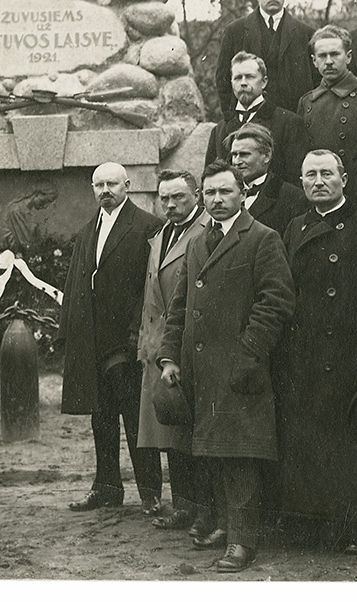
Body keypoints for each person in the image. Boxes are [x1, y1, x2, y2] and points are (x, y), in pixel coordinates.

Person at [158, 160, 295, 573]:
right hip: (200, 371)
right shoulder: (199, 241)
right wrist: (169, 356)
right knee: (212, 456)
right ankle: (223, 526)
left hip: (240, 370)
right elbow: (179, 305)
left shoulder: (262, 238)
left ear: (243, 194)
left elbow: (276, 301)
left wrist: (248, 354)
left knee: (240, 458)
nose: (217, 199)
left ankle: (242, 541)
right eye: (211, 193)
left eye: (226, 191)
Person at [277, 150, 357, 552]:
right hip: (305, 353)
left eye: (327, 173)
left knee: (351, 444)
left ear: (344, 179)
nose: (318, 181)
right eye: (310, 175)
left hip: (349, 354)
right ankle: (312, 526)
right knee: (309, 440)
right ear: (302, 182)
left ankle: (355, 529)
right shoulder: (295, 226)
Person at [59, 161, 165, 512]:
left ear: (127, 186)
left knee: (135, 418)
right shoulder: (88, 230)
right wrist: (69, 333)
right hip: (94, 339)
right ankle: (106, 487)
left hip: (128, 339)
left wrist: (138, 333)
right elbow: (76, 282)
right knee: (101, 417)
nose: (105, 191)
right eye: (99, 185)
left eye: (112, 184)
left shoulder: (147, 226)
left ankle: (150, 492)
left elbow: (152, 285)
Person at [136, 170, 209, 534]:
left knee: (191, 435)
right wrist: (146, 345)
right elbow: (151, 296)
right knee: (169, 433)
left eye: (179, 197)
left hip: (188, 346)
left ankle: (201, 510)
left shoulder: (206, 232)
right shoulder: (162, 234)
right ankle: (183, 506)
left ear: (197, 196)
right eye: (164, 198)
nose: (170, 204)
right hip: (158, 347)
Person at [213, 0, 318, 115]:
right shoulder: (234, 32)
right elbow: (223, 80)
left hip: (294, 122)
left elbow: (316, 84)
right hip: (249, 122)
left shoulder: (306, 34)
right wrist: (233, 120)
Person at [205, 51, 308, 182]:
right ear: (231, 82)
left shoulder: (289, 123)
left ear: (264, 82)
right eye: (237, 78)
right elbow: (209, 178)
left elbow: (294, 179)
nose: (243, 83)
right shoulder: (219, 130)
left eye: (249, 77)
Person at [297, 25, 357, 161]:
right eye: (322, 56)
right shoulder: (306, 101)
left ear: (348, 57)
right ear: (314, 61)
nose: (329, 62)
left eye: (335, 54)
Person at [227, 123, 308, 235]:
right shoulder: (223, 193)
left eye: (244, 154)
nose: (237, 161)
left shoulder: (293, 198)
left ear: (267, 156)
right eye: (234, 155)